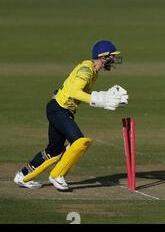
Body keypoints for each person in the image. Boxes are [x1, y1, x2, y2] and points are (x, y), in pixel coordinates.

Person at [14, 40, 129, 191]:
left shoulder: (92, 71)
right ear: (102, 56)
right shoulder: (86, 70)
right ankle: (57, 175)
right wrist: (99, 99)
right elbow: (75, 92)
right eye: (111, 56)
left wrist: (103, 96)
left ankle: (22, 176)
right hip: (59, 110)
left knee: (53, 150)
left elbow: (74, 89)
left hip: (59, 109)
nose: (113, 60)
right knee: (80, 142)